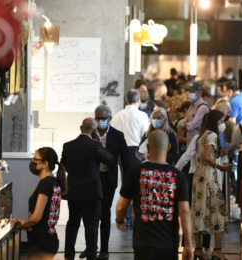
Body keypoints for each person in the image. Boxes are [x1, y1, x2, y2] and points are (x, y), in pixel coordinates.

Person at [116, 130, 194, 260]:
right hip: (169, 242)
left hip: (143, 242)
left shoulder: (135, 172)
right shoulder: (177, 175)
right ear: (168, 147)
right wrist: (188, 245)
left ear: (147, 147)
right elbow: (185, 211)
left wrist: (120, 220)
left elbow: (121, 207)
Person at [80, 105, 131, 260]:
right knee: (90, 214)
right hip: (92, 178)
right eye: (98, 118)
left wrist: (126, 183)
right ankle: (91, 248)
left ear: (109, 118)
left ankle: (104, 250)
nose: (101, 121)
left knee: (105, 213)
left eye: (103, 118)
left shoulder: (117, 135)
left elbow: (126, 160)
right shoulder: (90, 134)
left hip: (108, 178)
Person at [61, 118, 113, 260]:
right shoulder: (95, 146)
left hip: (74, 191)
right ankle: (91, 256)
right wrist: (99, 142)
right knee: (92, 225)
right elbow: (109, 159)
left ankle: (68, 256)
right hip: (92, 192)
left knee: (72, 224)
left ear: (80, 127)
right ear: (94, 130)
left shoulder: (68, 146)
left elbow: (63, 165)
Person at [13, 147, 66, 260]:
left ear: (45, 164)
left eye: (36, 160)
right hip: (48, 239)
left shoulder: (45, 183)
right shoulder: (54, 181)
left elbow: (36, 218)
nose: (33, 162)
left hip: (41, 242)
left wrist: (23, 223)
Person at [191, 110, 229, 260]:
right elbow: (207, 157)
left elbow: (203, 155)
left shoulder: (201, 135)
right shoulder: (212, 135)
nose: (222, 124)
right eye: (220, 121)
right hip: (208, 176)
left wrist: (217, 155)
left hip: (198, 175)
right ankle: (217, 250)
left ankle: (199, 249)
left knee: (199, 210)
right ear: (215, 121)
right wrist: (220, 167)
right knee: (218, 209)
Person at [111, 90, 150, 229]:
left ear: (126, 100)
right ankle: (138, 217)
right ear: (138, 100)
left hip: (122, 152)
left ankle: (126, 218)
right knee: (140, 185)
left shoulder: (117, 116)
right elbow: (145, 136)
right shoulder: (142, 115)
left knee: (125, 185)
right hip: (136, 151)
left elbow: (113, 136)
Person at [180, 82, 210, 147]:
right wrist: (185, 125)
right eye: (189, 91)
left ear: (200, 92)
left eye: (193, 91)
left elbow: (191, 125)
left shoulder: (203, 107)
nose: (190, 93)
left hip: (197, 140)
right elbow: (184, 121)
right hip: (189, 140)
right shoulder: (192, 106)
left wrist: (186, 126)